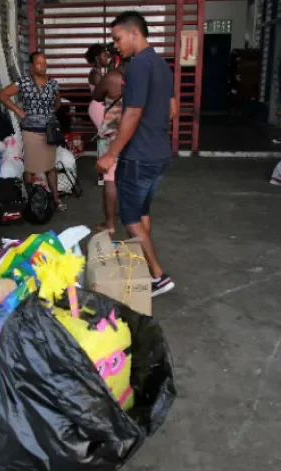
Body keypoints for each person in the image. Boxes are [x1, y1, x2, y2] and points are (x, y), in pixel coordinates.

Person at [96, 11, 179, 296]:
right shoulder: (162, 65)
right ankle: (145, 264)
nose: (115, 44)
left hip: (139, 156)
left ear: (134, 33)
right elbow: (172, 110)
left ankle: (159, 276)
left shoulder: (139, 66)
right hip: (159, 153)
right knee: (142, 211)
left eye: (117, 38)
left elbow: (132, 113)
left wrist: (111, 155)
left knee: (130, 217)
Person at [0, 51, 67, 212]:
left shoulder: (53, 84)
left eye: (44, 62)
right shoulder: (23, 83)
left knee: (50, 166)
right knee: (31, 167)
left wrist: (48, 115)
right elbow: (2, 95)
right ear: (31, 66)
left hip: (49, 131)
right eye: (39, 63)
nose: (43, 66)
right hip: (31, 131)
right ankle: (31, 200)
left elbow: (58, 103)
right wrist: (18, 111)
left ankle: (55, 199)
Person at [89, 59, 126, 233]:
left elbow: (96, 95)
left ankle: (110, 224)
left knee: (110, 179)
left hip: (112, 135)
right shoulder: (140, 78)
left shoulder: (112, 79)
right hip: (132, 133)